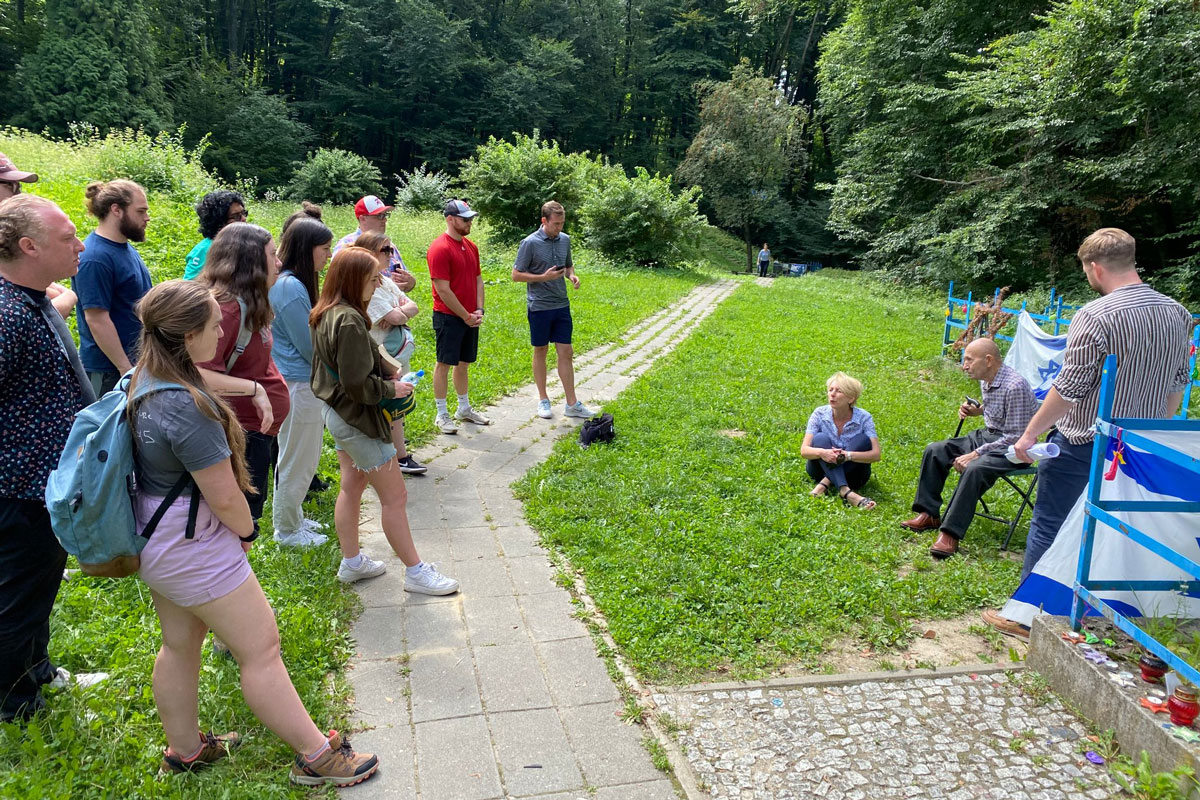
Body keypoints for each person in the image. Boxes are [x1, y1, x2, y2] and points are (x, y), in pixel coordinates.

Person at [128, 279, 378, 786]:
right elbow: (224, 496)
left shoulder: (148, 376)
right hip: (196, 544)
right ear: (190, 333)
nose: (223, 333)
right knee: (260, 648)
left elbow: (199, 377)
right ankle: (317, 758)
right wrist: (246, 531)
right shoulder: (189, 410)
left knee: (180, 642)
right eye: (216, 326)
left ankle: (185, 750)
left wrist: (252, 388)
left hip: (155, 538)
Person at [983, 227, 1194, 639]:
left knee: (1050, 522)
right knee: (1119, 528)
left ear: (1095, 268)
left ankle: (1031, 615)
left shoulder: (1095, 315)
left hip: (1086, 442)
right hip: (1141, 446)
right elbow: (1177, 384)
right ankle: (1116, 609)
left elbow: (1069, 387)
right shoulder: (1178, 313)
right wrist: (1154, 430)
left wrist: (1028, 437)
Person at [309, 247, 458, 593]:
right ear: (352, 281)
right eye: (372, 279)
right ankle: (416, 573)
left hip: (337, 414)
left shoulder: (327, 312)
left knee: (352, 485)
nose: (378, 285)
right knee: (396, 497)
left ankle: (352, 562)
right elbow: (357, 385)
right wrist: (393, 388)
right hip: (358, 421)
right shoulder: (348, 320)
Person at [0, 195, 94, 722]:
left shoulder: (29, 298)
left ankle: (37, 671)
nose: (79, 245)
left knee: (38, 585)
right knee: (17, 595)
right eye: (67, 238)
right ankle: (16, 706)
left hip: (46, 481)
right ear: (29, 246)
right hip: (18, 486)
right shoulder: (7, 313)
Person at [195, 223, 290, 542]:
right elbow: (195, 374)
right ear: (249, 261)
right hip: (240, 437)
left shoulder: (250, 303)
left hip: (256, 433)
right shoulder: (227, 308)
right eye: (273, 255)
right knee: (237, 529)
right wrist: (255, 389)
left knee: (245, 524)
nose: (279, 263)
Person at [900, 338, 1037, 559]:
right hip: (988, 436)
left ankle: (950, 533)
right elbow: (997, 412)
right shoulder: (987, 380)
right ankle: (929, 513)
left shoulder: (1015, 386)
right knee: (935, 450)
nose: (964, 365)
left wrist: (975, 453)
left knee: (974, 468)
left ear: (989, 360)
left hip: (1016, 449)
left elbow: (1017, 437)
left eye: (969, 360)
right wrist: (977, 411)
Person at [268, 217, 333, 547]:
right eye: (324, 249)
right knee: (296, 457)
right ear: (306, 250)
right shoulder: (290, 287)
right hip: (297, 383)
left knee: (300, 456)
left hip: (299, 382)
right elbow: (309, 345)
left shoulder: (291, 283)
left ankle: (293, 518)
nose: (328, 256)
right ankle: (287, 530)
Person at [512, 200, 595, 421]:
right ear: (544, 221)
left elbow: (568, 265)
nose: (559, 228)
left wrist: (572, 276)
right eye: (556, 224)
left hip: (561, 305)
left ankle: (572, 403)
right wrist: (543, 277)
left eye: (562, 223)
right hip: (539, 306)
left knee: (566, 352)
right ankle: (543, 399)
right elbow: (516, 275)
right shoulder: (529, 243)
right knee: (541, 351)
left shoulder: (565, 240)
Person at [73, 179, 153, 396]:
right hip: (109, 371)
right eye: (141, 211)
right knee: (103, 430)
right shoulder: (95, 257)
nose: (147, 217)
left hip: (133, 366)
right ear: (116, 210)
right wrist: (125, 370)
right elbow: (97, 319)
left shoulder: (123, 247)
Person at [356, 230, 426, 475]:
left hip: (396, 351)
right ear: (369, 253)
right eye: (385, 250)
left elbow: (413, 306)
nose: (391, 255)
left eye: (391, 249)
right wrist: (398, 312)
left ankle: (394, 451)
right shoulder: (369, 285)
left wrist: (399, 312)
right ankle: (398, 457)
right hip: (381, 353)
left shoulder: (384, 280)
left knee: (399, 399)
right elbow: (397, 314)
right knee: (390, 399)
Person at [429, 199, 489, 434]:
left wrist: (479, 310)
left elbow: (478, 279)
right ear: (450, 219)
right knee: (444, 363)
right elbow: (443, 289)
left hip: (470, 316)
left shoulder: (471, 246)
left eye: (471, 219)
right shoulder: (439, 248)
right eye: (465, 219)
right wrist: (464, 315)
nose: (469, 223)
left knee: (464, 363)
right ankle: (441, 413)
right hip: (448, 316)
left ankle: (463, 408)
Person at [801, 372, 881, 510]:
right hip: (819, 469)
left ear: (851, 398)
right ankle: (846, 491)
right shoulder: (819, 414)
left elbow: (876, 455)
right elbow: (804, 451)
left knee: (862, 440)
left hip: (855, 475)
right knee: (820, 438)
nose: (832, 394)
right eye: (830, 390)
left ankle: (825, 483)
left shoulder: (864, 417)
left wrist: (847, 456)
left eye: (839, 391)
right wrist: (822, 453)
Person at [332, 195, 416, 293]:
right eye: (379, 216)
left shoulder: (389, 245)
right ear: (363, 219)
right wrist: (388, 288)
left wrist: (410, 283)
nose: (384, 220)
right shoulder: (346, 245)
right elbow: (342, 285)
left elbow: (403, 276)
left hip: (395, 304)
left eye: (385, 215)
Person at [183, 191, 246, 280]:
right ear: (218, 222)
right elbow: (189, 288)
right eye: (236, 216)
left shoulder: (244, 243)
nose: (243, 219)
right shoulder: (204, 250)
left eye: (243, 213)